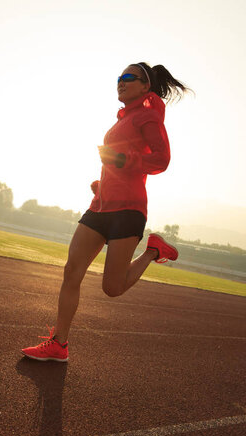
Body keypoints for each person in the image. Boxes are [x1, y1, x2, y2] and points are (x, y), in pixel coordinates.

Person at [22, 62, 191, 362]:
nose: (121, 82)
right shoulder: (121, 120)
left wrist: (124, 160)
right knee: (71, 271)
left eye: (129, 78)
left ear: (144, 87)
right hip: (100, 206)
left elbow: (161, 160)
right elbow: (118, 162)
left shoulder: (149, 116)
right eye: (119, 78)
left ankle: (153, 251)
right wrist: (103, 183)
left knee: (112, 288)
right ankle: (59, 344)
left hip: (129, 211)